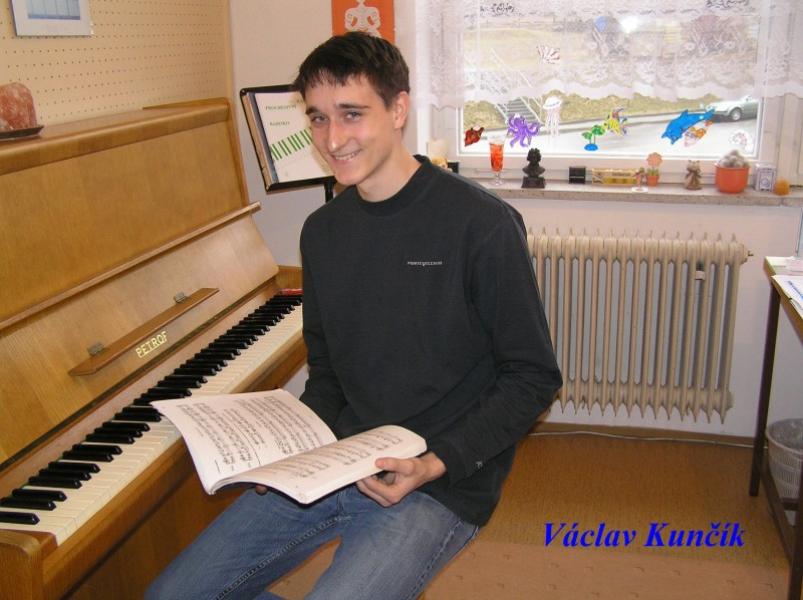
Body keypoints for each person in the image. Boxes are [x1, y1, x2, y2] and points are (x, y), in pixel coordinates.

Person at [146, 32, 561, 600]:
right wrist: (285, 449)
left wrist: (436, 462)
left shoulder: (481, 224)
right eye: (318, 118)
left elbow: (533, 377)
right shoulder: (323, 233)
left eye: (351, 114)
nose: (332, 139)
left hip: (439, 481)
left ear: (398, 109)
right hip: (334, 461)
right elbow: (328, 373)